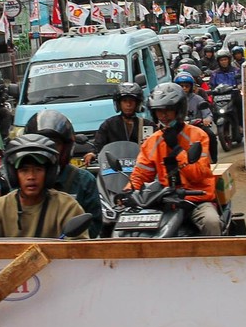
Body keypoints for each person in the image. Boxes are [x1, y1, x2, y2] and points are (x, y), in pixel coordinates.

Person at [128, 82, 221, 236]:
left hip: (196, 199)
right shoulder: (152, 141)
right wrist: (129, 191)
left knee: (211, 222)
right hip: (165, 201)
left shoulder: (197, 135)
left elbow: (198, 174)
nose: (163, 116)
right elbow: (141, 174)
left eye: (168, 110)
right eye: (159, 111)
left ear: (179, 110)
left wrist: (177, 149)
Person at [0, 134, 89, 239]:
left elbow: (80, 249)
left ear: (49, 173)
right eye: (24, 170)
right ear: (14, 174)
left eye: (38, 170)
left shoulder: (67, 207)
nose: (31, 177)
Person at [25, 110, 103, 238]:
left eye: (54, 144)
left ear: (66, 148)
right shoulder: (22, 181)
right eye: (41, 143)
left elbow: (93, 227)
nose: (48, 149)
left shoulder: (83, 180)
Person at [83, 82, 150, 165]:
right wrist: (92, 153)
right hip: (114, 169)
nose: (128, 104)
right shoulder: (109, 124)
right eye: (124, 101)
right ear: (119, 103)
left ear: (137, 103)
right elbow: (98, 145)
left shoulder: (147, 125)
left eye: (132, 101)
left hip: (140, 167)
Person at [174, 71, 217, 162]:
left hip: (197, 127)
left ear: (191, 87)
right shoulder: (173, 100)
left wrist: (207, 119)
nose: (184, 88)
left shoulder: (197, 99)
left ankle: (214, 160)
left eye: (186, 86)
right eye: (181, 86)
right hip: (179, 128)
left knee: (211, 136)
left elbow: (207, 113)